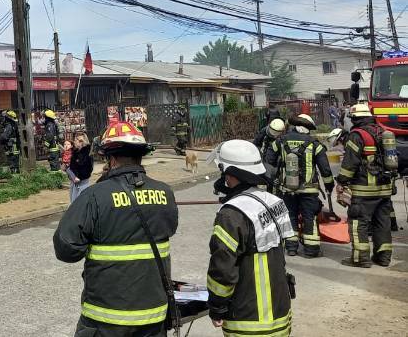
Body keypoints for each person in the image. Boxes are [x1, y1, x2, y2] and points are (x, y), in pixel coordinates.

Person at [54, 121, 178, 337]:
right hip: (154, 318)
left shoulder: (94, 196)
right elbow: (168, 228)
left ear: (110, 158)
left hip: (106, 320)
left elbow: (66, 249)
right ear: (140, 156)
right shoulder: (165, 193)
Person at [205, 140, 295, 337]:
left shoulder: (231, 214)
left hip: (248, 321)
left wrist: (217, 306)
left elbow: (223, 269)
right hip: (280, 313)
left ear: (229, 174)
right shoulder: (274, 202)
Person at [265, 114, 333, 258]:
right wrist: (329, 185)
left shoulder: (280, 141)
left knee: (290, 216)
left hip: (287, 188)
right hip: (309, 190)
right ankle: (311, 249)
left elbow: (268, 161)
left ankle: (291, 248)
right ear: (307, 129)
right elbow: (325, 169)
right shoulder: (315, 144)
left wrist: (272, 182)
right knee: (309, 217)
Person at [337, 103, 396, 267]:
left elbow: (350, 163)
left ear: (355, 119)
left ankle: (361, 258)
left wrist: (341, 182)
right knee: (382, 223)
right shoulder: (382, 132)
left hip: (364, 191)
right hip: (384, 189)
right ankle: (383, 257)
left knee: (358, 223)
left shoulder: (356, 135)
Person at [67, 132, 93, 202]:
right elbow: (72, 167)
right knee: (73, 203)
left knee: (80, 204)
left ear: (81, 142)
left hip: (82, 183)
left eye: (76, 140)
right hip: (74, 183)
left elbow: (87, 169)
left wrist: (77, 175)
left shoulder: (87, 153)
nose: (74, 142)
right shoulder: (75, 152)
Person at [0, 110, 21, 174]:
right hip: (15, 146)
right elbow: (18, 136)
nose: (3, 119)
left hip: (10, 146)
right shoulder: (14, 125)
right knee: (16, 162)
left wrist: (2, 141)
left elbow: (4, 136)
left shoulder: (9, 126)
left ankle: (14, 177)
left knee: (12, 161)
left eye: (4, 117)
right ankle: (17, 176)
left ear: (7, 118)